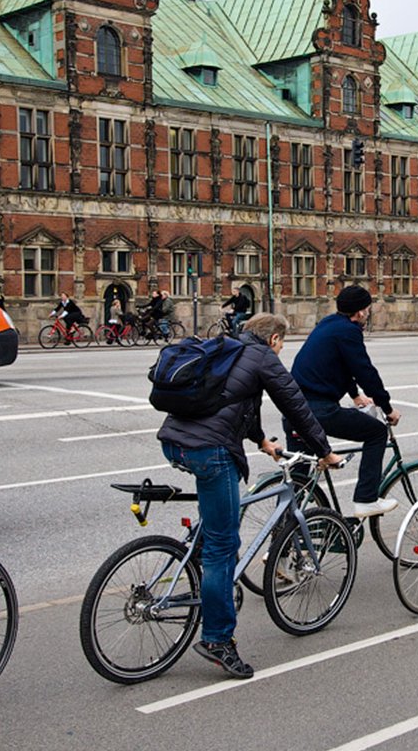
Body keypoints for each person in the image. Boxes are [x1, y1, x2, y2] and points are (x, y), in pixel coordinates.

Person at [157, 313, 342, 678]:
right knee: (223, 547)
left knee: (214, 527)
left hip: (175, 443)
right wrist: (324, 451)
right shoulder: (263, 357)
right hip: (211, 451)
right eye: (282, 344)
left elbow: (237, 402)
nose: (281, 349)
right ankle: (217, 640)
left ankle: (199, 568)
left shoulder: (227, 349)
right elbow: (294, 404)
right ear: (273, 338)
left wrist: (261, 441)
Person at [286, 285, 401, 517]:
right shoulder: (350, 331)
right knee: (377, 433)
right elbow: (364, 371)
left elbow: (340, 364)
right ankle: (366, 499)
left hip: (293, 410)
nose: (368, 314)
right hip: (318, 411)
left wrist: (355, 395)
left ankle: (282, 540)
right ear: (359, 312)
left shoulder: (328, 324)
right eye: (367, 309)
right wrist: (387, 408)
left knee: (298, 482)